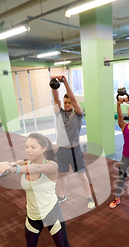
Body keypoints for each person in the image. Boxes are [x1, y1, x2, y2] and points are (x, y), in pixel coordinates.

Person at [0, 133, 81, 247]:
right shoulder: (25, 163)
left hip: (51, 213)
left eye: (33, 147)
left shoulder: (51, 166)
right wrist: (0, 165)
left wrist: (13, 168)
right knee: (30, 245)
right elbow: (16, 164)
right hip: (32, 214)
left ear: (43, 148)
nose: (28, 150)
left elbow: (36, 168)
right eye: (26, 147)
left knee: (63, 246)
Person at [51, 75, 95, 209]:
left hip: (74, 150)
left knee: (81, 174)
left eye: (69, 102)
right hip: (62, 150)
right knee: (61, 174)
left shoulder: (78, 113)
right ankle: (61, 196)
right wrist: (53, 84)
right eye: (66, 102)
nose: (67, 104)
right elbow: (56, 98)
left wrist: (65, 82)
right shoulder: (60, 113)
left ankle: (89, 197)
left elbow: (74, 99)